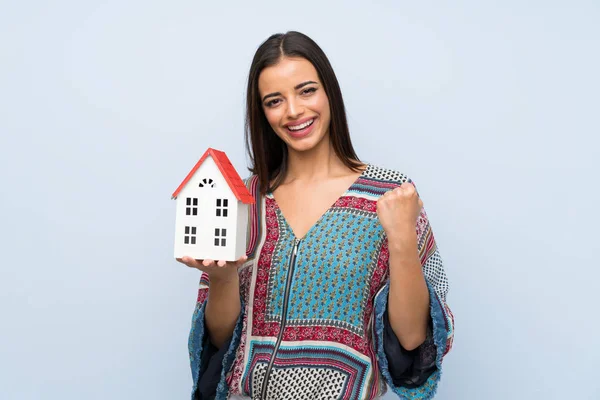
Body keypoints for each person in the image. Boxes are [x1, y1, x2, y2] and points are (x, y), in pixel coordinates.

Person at [178, 31, 454, 400]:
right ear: (262, 112)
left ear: (329, 93)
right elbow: (220, 340)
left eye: (306, 90)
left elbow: (412, 340)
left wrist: (402, 240)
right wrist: (223, 278)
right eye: (274, 100)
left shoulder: (390, 194)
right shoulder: (243, 199)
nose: (293, 111)